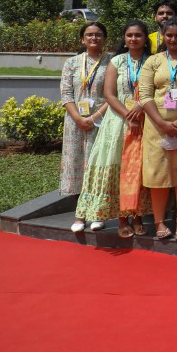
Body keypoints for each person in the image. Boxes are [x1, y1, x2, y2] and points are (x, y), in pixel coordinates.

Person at [73, 20, 151, 237]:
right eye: (129, 35)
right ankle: (122, 218)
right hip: (118, 121)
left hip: (146, 118)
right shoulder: (116, 61)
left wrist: (141, 108)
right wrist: (128, 115)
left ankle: (138, 215)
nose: (133, 39)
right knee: (120, 168)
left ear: (146, 39)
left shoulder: (153, 61)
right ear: (124, 39)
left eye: (138, 35)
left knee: (140, 170)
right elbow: (109, 94)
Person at [139, 17, 177, 241]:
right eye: (169, 35)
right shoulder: (153, 61)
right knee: (157, 174)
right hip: (156, 127)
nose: (173, 39)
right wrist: (162, 123)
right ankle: (160, 221)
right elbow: (144, 95)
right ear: (162, 36)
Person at [61, 22, 111, 217]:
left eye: (98, 34)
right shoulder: (72, 63)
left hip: (102, 120)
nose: (93, 38)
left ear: (104, 39)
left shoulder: (112, 62)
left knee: (97, 162)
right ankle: (80, 211)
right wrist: (79, 118)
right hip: (74, 122)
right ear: (82, 39)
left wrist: (94, 117)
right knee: (76, 162)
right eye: (89, 35)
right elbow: (66, 94)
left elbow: (114, 94)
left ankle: (98, 210)